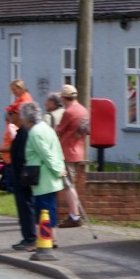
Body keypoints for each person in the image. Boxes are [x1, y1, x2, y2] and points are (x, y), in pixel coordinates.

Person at [20, 101, 65, 249]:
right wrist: (60, 167)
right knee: (49, 208)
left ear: (27, 119)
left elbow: (46, 154)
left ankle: (45, 240)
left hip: (43, 176)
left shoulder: (35, 132)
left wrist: (57, 169)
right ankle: (52, 238)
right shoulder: (46, 128)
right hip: (49, 176)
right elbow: (57, 150)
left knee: (43, 210)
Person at [55, 84, 87, 227]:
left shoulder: (69, 112)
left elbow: (59, 130)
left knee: (68, 185)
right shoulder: (83, 110)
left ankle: (74, 216)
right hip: (79, 150)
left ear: (63, 98)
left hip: (67, 151)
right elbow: (85, 131)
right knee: (70, 183)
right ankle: (74, 214)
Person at [6, 104, 37, 251]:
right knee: (24, 207)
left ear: (19, 115)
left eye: (11, 113)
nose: (8, 117)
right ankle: (27, 237)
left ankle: (30, 238)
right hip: (19, 175)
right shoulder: (21, 131)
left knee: (26, 207)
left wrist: (21, 174)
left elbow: (22, 155)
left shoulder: (24, 132)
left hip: (23, 176)